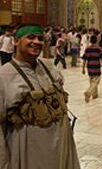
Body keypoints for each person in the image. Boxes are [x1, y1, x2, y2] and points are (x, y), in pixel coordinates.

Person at [0, 24, 80, 168]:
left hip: (60, 146)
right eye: (30, 37)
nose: (37, 41)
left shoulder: (48, 67)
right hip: (29, 152)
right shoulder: (4, 75)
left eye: (40, 38)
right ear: (16, 41)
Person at [82, 34, 102, 103]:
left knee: (92, 81)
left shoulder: (88, 49)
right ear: (96, 41)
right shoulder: (99, 49)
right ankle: (88, 93)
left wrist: (83, 68)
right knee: (96, 81)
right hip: (96, 67)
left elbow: (84, 59)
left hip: (89, 67)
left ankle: (95, 95)